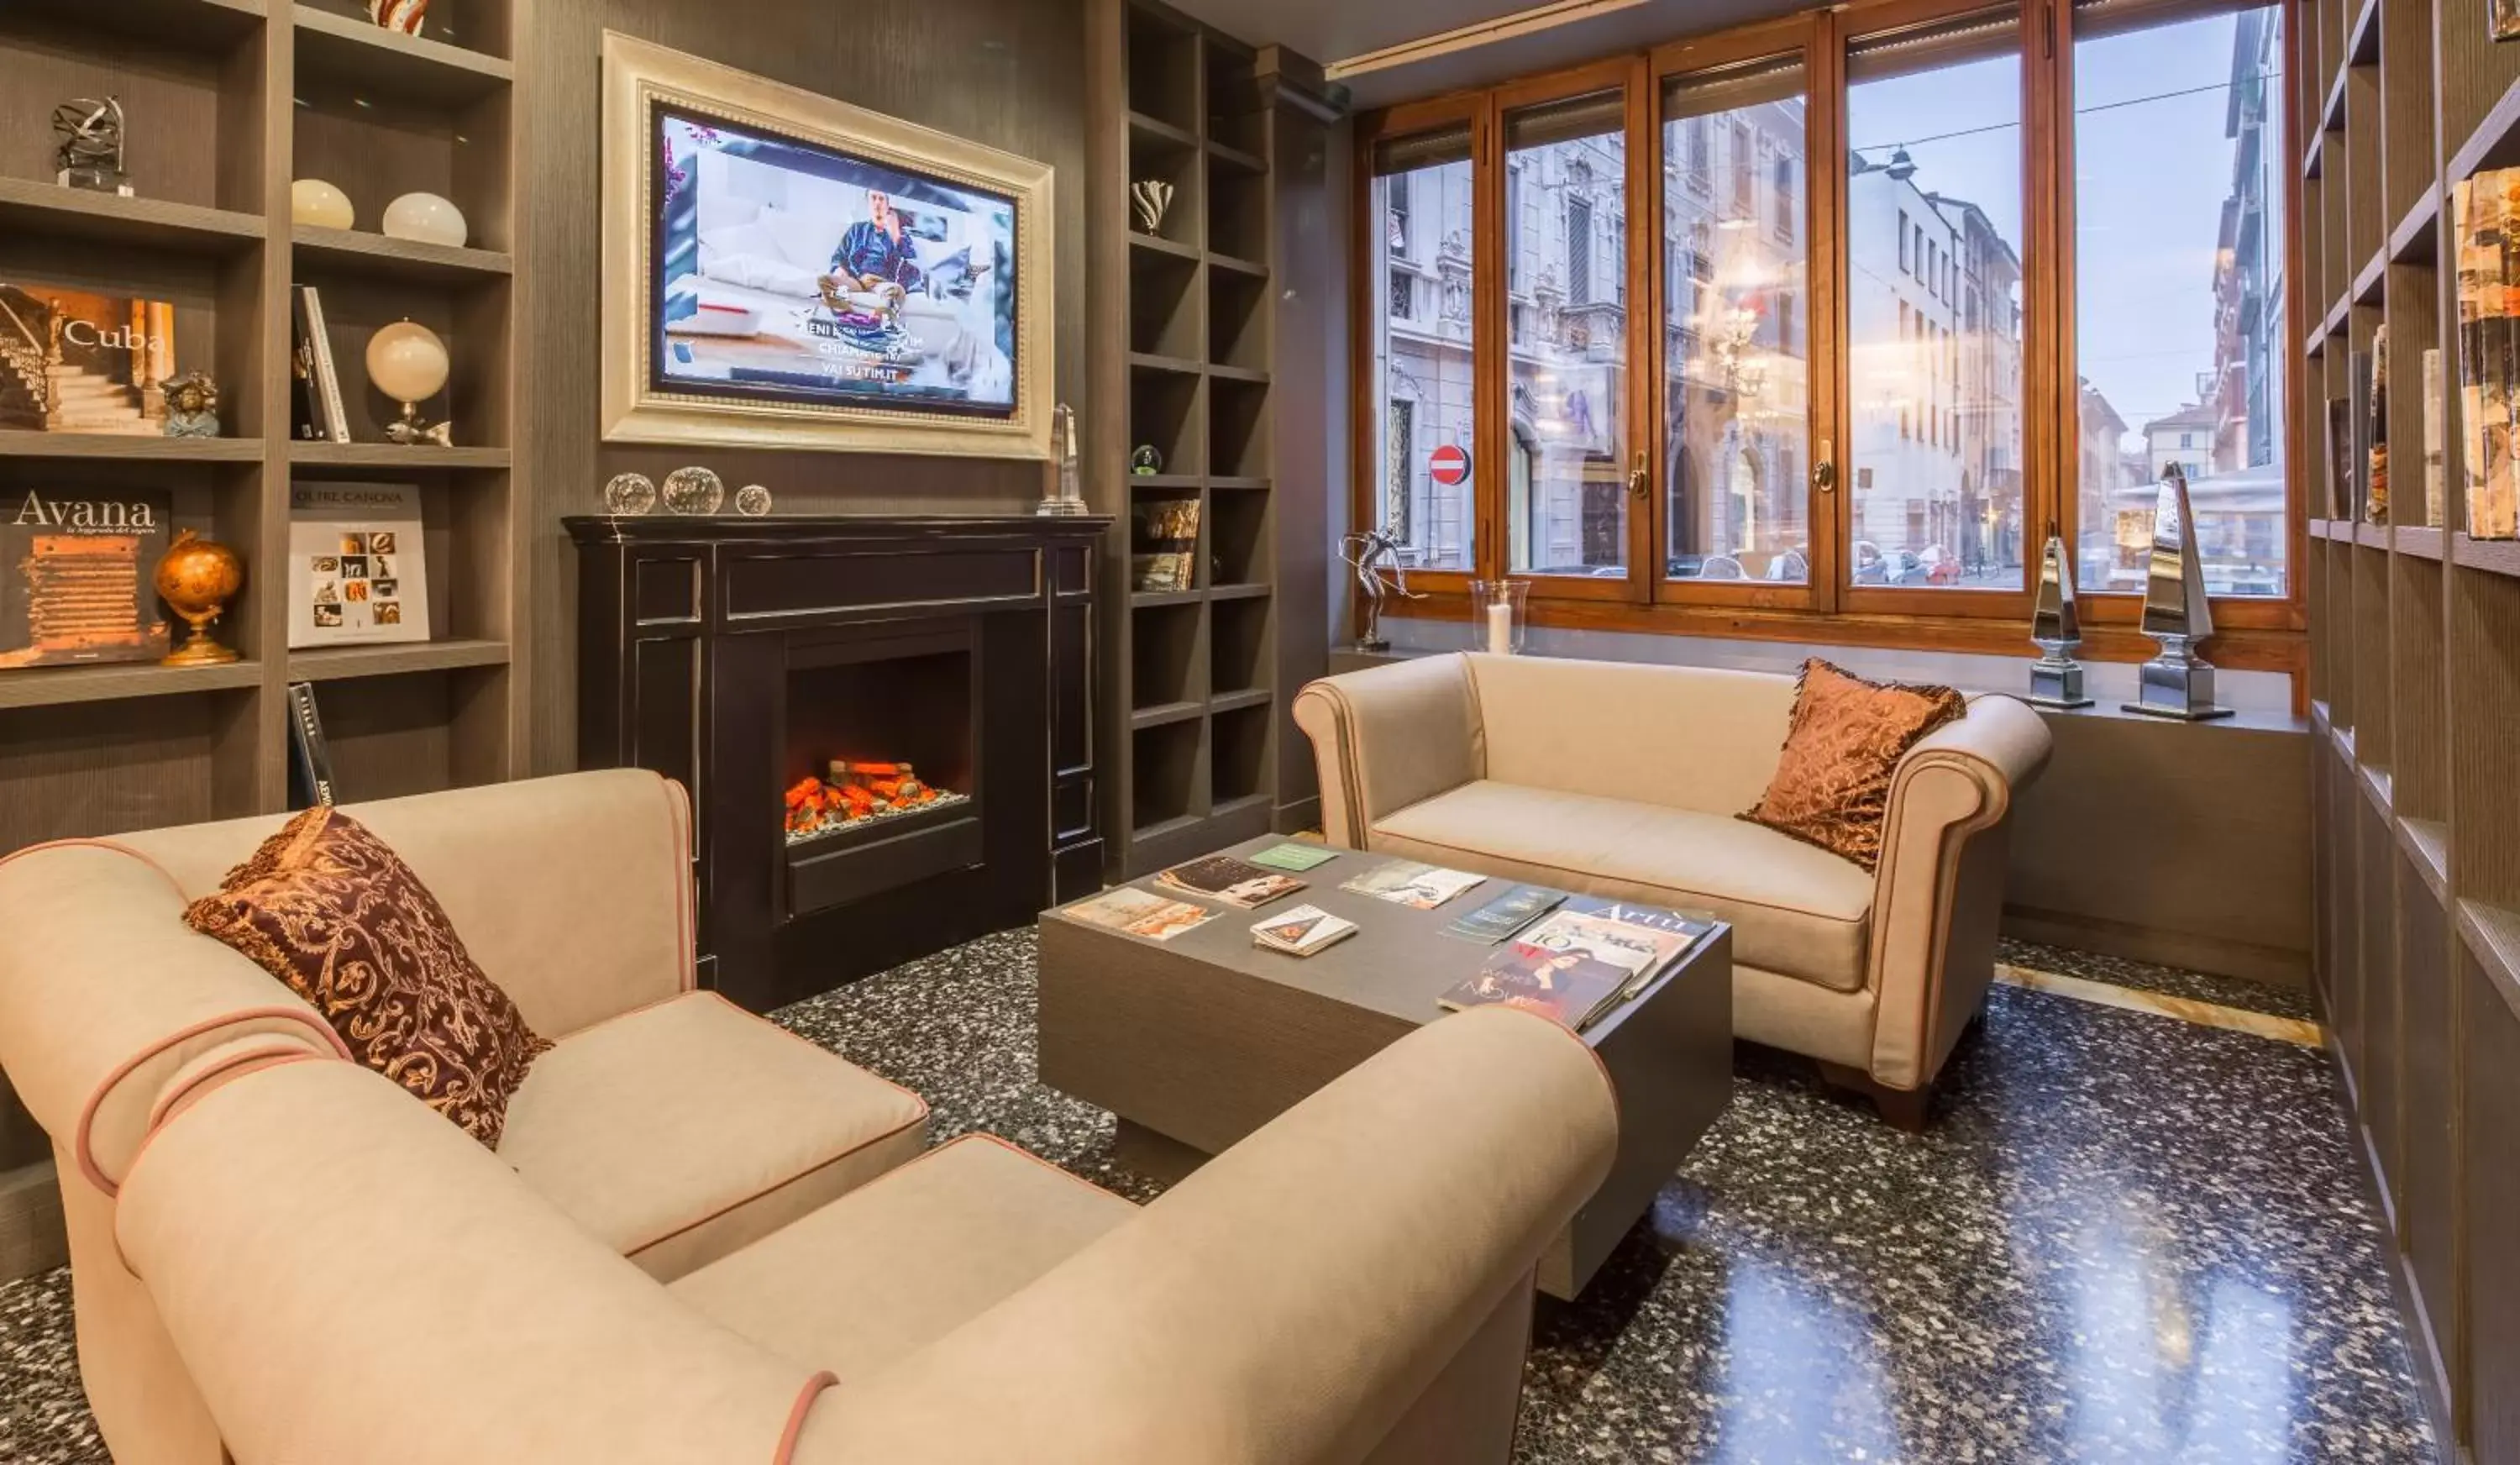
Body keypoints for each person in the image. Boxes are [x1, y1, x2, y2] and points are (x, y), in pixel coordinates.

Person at [826, 189, 924, 297]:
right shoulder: (856, 230)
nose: (877, 202)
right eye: (873, 198)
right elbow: (839, 256)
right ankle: (843, 307)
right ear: (868, 204)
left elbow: (909, 267)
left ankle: (882, 312)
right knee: (827, 281)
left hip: (882, 283)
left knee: (895, 292)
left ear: (887, 206)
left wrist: (895, 237)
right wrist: (839, 268)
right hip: (856, 281)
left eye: (881, 199)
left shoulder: (902, 236)